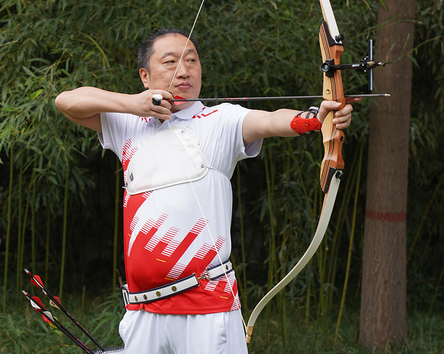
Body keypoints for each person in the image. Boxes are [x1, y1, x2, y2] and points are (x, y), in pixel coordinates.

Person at [55, 27, 355, 354]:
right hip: (143, 312)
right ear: (145, 75)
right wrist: (133, 104)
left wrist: (314, 118)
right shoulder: (127, 123)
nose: (184, 71)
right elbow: (66, 101)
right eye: (170, 62)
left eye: (192, 61)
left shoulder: (219, 121)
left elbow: (271, 121)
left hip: (207, 309)